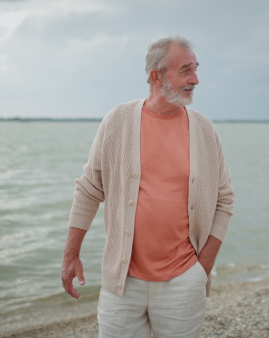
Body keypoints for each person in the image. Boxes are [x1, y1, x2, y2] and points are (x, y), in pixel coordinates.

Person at [61, 35, 234, 338]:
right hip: (122, 282)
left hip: (184, 280)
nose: (195, 79)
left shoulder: (204, 130)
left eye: (195, 69)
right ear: (156, 76)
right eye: (185, 70)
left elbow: (224, 200)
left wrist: (201, 267)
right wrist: (71, 255)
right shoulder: (118, 121)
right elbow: (89, 189)